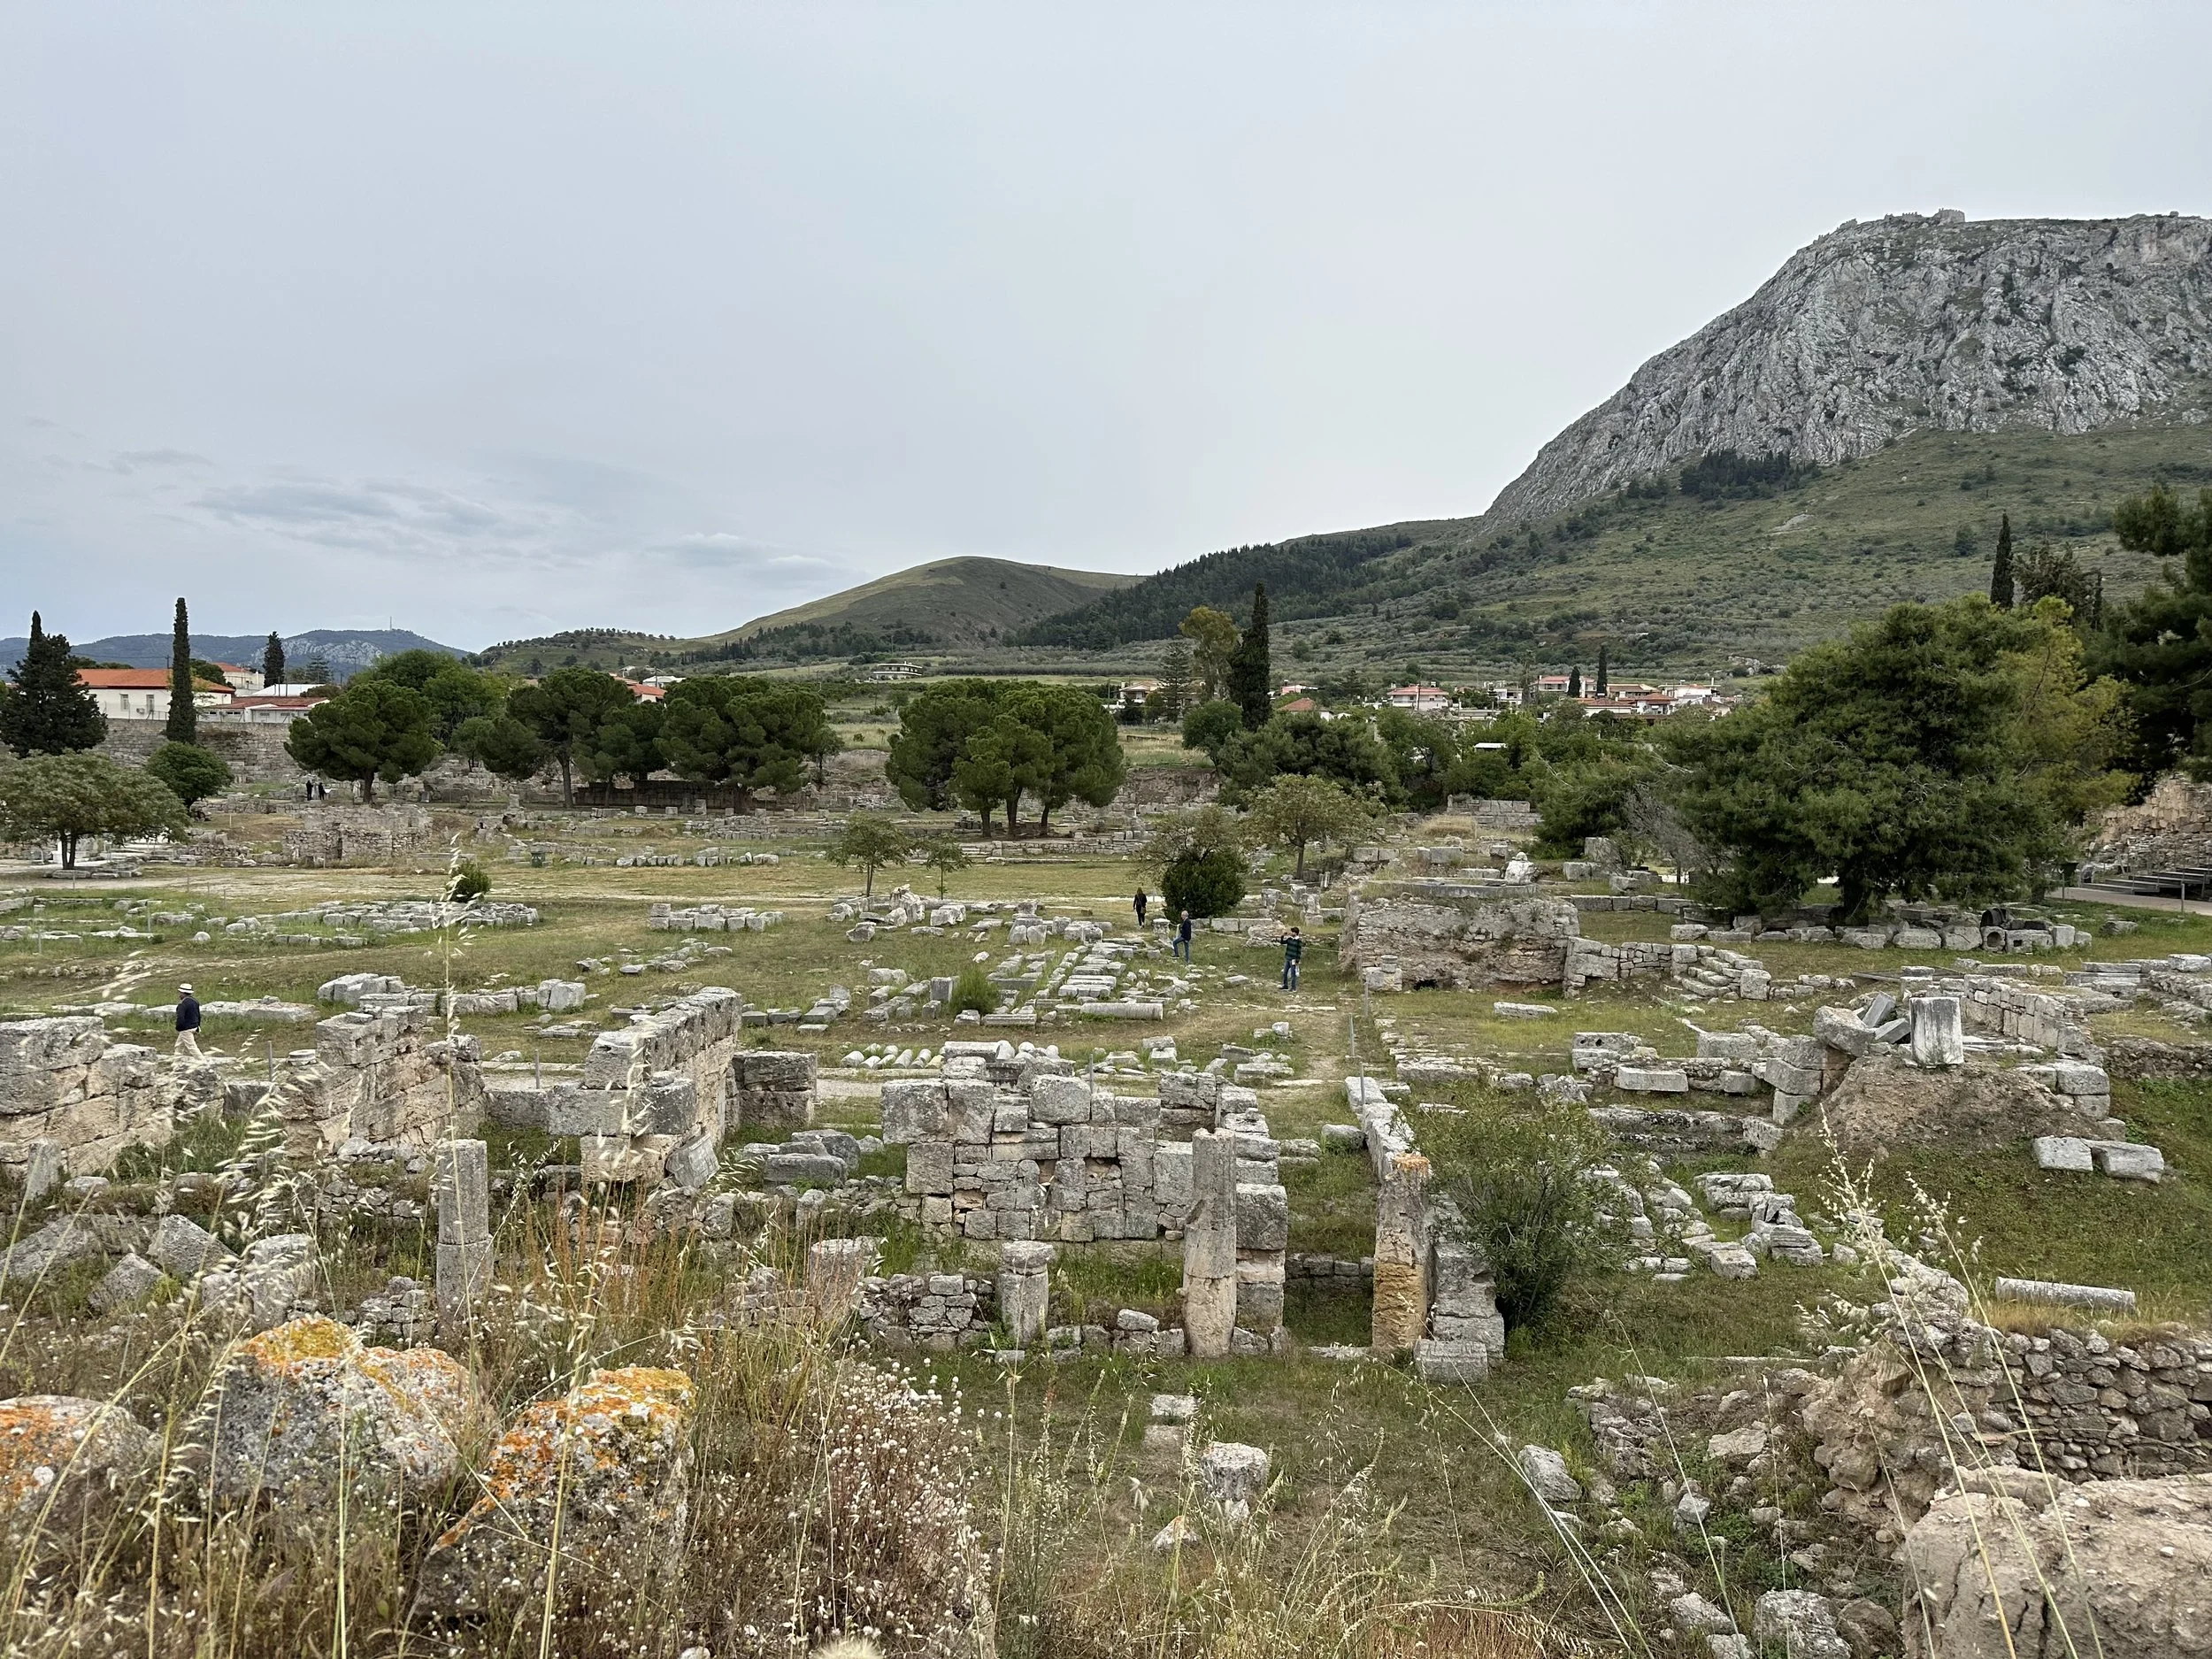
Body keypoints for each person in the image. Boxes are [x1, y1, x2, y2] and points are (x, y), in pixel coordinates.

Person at [173, 982, 203, 1059]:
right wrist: (198, 1026)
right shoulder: (195, 1001)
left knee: (191, 1047)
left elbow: (180, 1017)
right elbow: (198, 1015)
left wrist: (179, 1027)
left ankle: (202, 1061)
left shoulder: (182, 1004)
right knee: (179, 1045)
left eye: (180, 993)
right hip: (194, 1026)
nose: (179, 995)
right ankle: (176, 1060)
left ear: (183, 993)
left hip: (186, 1028)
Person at [1280, 926, 1303, 991]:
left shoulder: (1298, 941)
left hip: (1293, 959)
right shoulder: (1289, 939)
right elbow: (1282, 942)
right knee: (1285, 972)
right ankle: (1285, 985)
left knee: (1293, 974)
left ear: (1296, 933)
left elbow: (1299, 951)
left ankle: (1293, 988)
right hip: (1288, 958)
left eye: (1293, 932)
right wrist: (1282, 936)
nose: (1291, 933)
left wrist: (1297, 960)